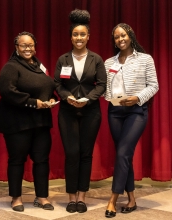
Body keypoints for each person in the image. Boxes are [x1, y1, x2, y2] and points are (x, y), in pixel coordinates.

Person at [0, 31, 56, 212]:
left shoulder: (39, 66)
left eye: (30, 45)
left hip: (40, 121)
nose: (28, 48)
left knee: (42, 160)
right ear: (17, 48)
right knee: (17, 160)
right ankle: (16, 198)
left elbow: (46, 88)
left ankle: (42, 196)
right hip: (17, 123)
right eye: (23, 45)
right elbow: (7, 91)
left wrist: (51, 98)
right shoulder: (11, 67)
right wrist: (33, 103)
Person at [54, 9, 106, 213]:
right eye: (75, 34)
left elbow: (102, 84)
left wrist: (87, 99)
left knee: (86, 154)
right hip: (67, 111)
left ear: (88, 36)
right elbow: (57, 84)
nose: (79, 38)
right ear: (71, 36)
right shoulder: (63, 59)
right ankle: (71, 197)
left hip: (91, 111)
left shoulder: (96, 59)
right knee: (71, 153)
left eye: (82, 34)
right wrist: (68, 97)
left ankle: (82, 198)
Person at [104, 23, 159, 218]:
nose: (120, 39)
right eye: (117, 37)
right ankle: (132, 199)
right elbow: (106, 89)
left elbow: (154, 85)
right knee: (123, 155)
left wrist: (137, 98)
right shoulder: (109, 62)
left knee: (122, 152)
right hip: (115, 112)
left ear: (130, 36)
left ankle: (112, 199)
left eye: (123, 35)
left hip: (136, 111)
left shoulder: (145, 59)